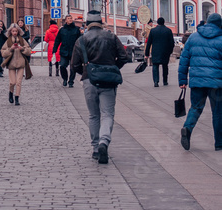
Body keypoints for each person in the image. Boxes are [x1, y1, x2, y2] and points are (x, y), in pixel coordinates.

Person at [70, 10, 131, 164]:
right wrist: (112, 68)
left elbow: (74, 65)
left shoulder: (81, 40)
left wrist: (86, 72)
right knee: (107, 114)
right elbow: (124, 57)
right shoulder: (111, 36)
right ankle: (104, 142)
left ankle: (96, 148)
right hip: (109, 81)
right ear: (101, 23)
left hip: (89, 80)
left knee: (93, 115)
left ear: (87, 24)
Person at [178, 12, 222, 151]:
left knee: (196, 108)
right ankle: (219, 143)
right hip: (216, 82)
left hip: (197, 81)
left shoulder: (193, 37)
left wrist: (182, 80)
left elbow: (184, 59)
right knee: (218, 112)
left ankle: (187, 128)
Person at [1, 23, 31, 106]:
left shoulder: (22, 40)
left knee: (18, 82)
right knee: (12, 82)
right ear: (10, 32)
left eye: (16, 31)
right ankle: (11, 92)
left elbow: (29, 50)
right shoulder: (8, 41)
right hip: (11, 64)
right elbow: (3, 53)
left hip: (21, 63)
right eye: (13, 31)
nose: (15, 32)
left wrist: (22, 49)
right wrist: (11, 49)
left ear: (18, 31)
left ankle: (17, 97)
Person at [145, 16, 175, 88]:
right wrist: (170, 51)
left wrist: (147, 54)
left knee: (155, 66)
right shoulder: (168, 31)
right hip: (165, 52)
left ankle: (156, 81)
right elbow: (172, 43)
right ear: (164, 22)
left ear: (157, 23)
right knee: (165, 66)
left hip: (155, 51)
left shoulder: (153, 31)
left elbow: (149, 43)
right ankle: (165, 81)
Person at [53, 13, 82, 87]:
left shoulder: (76, 29)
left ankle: (71, 81)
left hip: (74, 51)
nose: (70, 20)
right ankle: (65, 79)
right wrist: (54, 50)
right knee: (62, 66)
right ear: (66, 20)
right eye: (68, 18)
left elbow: (80, 40)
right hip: (64, 51)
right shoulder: (62, 30)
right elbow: (57, 40)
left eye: (71, 18)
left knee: (73, 68)